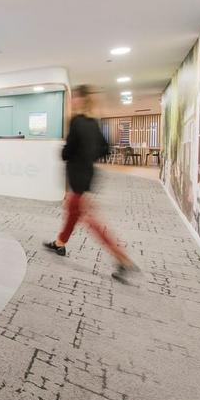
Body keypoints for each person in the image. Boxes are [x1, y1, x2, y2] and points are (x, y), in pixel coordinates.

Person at [43, 85, 137, 281]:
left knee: (90, 221)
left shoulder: (76, 121)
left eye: (74, 97)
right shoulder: (93, 123)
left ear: (80, 99)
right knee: (72, 212)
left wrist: (66, 153)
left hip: (77, 176)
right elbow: (105, 149)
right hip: (87, 174)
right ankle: (60, 243)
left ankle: (122, 259)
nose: (72, 101)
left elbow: (67, 151)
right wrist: (88, 156)